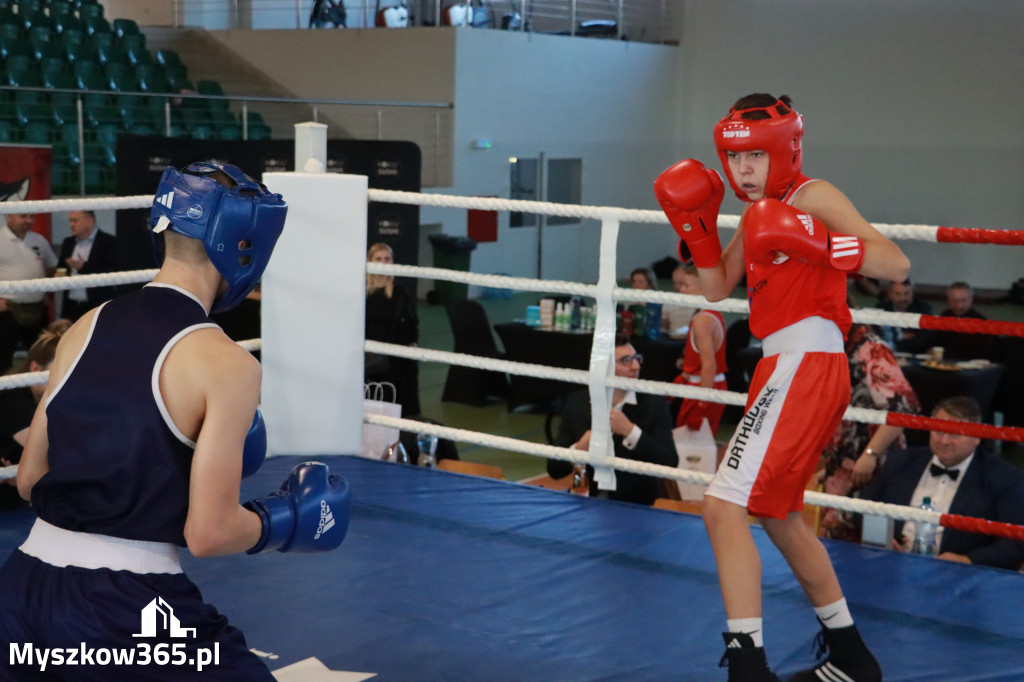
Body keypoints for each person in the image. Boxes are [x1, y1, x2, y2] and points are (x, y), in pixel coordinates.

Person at [0, 162, 351, 680]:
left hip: (20, 589)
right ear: (244, 246)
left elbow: (30, 481)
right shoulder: (228, 364)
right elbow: (208, 534)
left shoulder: (84, 327)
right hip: (128, 607)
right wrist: (286, 521)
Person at [655, 93, 910, 681]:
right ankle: (851, 657)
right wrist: (692, 225)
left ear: (784, 150)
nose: (742, 171)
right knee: (776, 514)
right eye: (733, 159)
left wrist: (816, 243)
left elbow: (894, 263)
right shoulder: (758, 212)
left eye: (754, 158)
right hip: (784, 365)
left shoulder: (810, 196)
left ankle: (748, 669)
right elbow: (718, 287)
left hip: (809, 359)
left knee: (721, 507)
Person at [861, 396, 1024, 570]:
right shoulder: (901, 461)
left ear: (977, 437)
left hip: (961, 577)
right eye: (938, 431)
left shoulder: (1004, 477)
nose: (944, 440)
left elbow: (1015, 543)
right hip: (891, 564)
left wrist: (967, 560)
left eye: (954, 433)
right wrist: (884, 536)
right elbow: (864, 508)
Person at [818, 321, 920, 541]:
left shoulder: (869, 348)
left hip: (874, 460)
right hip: (843, 459)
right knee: (834, 538)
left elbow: (903, 406)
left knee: (872, 541)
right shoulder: (831, 345)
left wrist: (870, 454)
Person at [547, 334, 678, 506]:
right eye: (626, 361)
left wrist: (630, 432)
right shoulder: (577, 403)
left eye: (637, 358)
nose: (636, 366)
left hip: (636, 506)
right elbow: (554, 469)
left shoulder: (654, 403)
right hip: (586, 501)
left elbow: (670, 462)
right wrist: (579, 449)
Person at [0, 320, 70, 512]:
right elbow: (57, 452)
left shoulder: (55, 401)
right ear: (35, 369)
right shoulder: (11, 399)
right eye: (57, 372)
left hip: (23, 503)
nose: (64, 380)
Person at [671, 262, 728, 435]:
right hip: (708, 385)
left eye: (686, 285)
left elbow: (709, 366)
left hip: (704, 387)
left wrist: (702, 405)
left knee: (693, 451)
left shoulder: (702, 320)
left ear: (703, 287)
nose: (682, 290)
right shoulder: (710, 313)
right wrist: (687, 372)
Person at [365, 242, 421, 417]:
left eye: (387, 259)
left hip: (395, 360)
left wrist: (411, 344)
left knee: (399, 402)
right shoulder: (361, 291)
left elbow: (412, 322)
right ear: (370, 261)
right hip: (369, 357)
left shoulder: (401, 292)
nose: (383, 262)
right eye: (378, 259)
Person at [0, 211, 58, 374]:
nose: (29, 220)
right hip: (8, 310)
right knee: (3, 358)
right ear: (9, 216)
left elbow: (52, 267)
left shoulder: (39, 240)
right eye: (23, 216)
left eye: (31, 217)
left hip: (37, 310)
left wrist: (49, 294)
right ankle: (4, 397)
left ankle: (36, 395)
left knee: (42, 355)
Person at [57, 209, 122, 321]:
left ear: (90, 221)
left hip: (97, 307)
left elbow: (112, 272)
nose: (71, 225)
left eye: (75, 221)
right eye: (70, 221)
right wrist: (58, 275)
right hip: (71, 308)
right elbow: (61, 267)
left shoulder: (108, 242)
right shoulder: (68, 242)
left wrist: (84, 267)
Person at [934, 281, 994, 361]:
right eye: (954, 301)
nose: (959, 306)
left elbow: (984, 353)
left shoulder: (980, 321)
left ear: (971, 300)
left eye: (963, 301)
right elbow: (936, 342)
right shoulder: (945, 316)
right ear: (948, 300)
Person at [876, 278, 933, 353]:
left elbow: (923, 340)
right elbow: (876, 336)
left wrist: (892, 337)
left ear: (912, 293)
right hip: (885, 353)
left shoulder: (923, 309)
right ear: (889, 294)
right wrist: (904, 335)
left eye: (906, 293)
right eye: (898, 294)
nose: (902, 298)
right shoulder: (881, 308)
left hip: (914, 355)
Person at [662, 263, 698, 338]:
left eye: (683, 283)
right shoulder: (669, 301)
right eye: (675, 283)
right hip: (673, 342)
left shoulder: (704, 305)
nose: (679, 287)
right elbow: (664, 327)